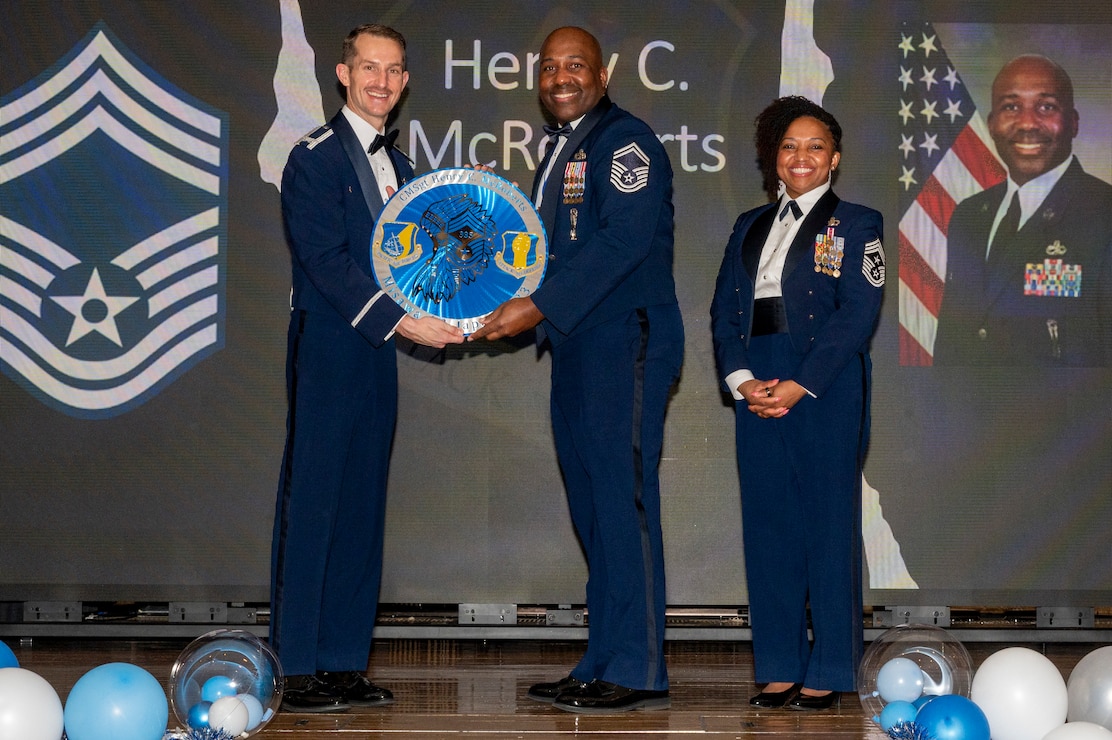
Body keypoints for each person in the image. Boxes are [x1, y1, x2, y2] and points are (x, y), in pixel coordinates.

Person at [468, 26, 684, 714]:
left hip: (627, 339)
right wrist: (490, 302)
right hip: (579, 345)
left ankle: (640, 666)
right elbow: (546, 255)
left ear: (602, 73)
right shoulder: (562, 149)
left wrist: (535, 307)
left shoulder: (625, 142)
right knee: (593, 507)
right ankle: (600, 656)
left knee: (623, 500)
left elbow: (621, 242)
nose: (561, 77)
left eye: (575, 65)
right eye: (550, 67)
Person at [271, 23, 464, 714]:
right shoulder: (313, 158)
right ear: (343, 76)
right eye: (368, 68)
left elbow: (426, 268)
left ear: (405, 81)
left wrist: (459, 306)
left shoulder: (409, 172)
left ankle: (344, 662)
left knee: (362, 505)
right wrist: (402, 319)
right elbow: (325, 263)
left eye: (393, 70)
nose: (381, 81)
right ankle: (295, 668)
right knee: (315, 499)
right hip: (329, 343)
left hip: (378, 352)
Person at [710, 96, 884, 710]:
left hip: (824, 385)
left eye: (815, 146)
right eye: (789, 146)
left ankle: (832, 668)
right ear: (773, 160)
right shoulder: (748, 225)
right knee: (769, 529)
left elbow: (857, 316)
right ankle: (779, 664)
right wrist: (740, 380)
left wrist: (800, 383)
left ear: (834, 159)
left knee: (828, 530)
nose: (801, 156)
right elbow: (725, 313)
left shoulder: (858, 223)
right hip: (758, 379)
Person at [934, 54, 1112, 366]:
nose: (1028, 123)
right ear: (992, 124)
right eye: (1011, 107)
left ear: (1073, 122)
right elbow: (952, 343)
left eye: (1046, 107)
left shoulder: (1104, 213)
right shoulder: (969, 215)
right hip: (968, 413)